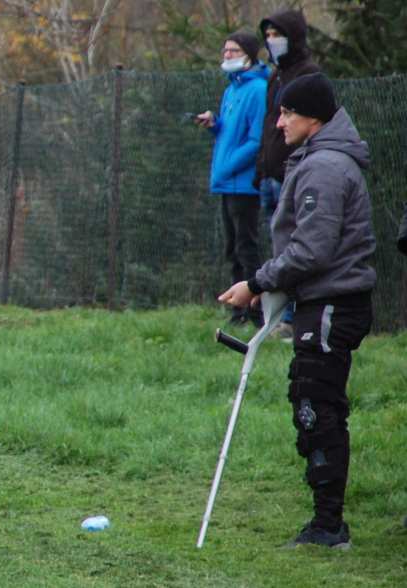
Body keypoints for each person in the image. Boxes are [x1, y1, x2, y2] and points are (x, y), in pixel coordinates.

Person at [219, 73, 375, 549]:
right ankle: (325, 522)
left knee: (317, 408)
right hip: (318, 300)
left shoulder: (325, 167)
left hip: (332, 302)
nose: (279, 122)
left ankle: (328, 527)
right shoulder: (315, 159)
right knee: (311, 402)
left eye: (287, 113)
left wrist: (256, 282)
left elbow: (312, 249)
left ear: (314, 118)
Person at [255, 9, 321, 339]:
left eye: (276, 35)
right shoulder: (275, 75)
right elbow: (270, 126)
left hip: (294, 174)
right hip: (271, 174)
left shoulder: (307, 73)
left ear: (292, 36)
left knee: (295, 247)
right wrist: (262, 167)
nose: (270, 42)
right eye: (266, 36)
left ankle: (293, 319)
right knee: (277, 247)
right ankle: (278, 315)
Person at [196, 32, 268, 327]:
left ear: (250, 55)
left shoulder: (258, 90)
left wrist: (226, 166)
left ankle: (255, 312)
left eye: (233, 50)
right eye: (224, 50)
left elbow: (255, 141)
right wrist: (215, 124)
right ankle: (238, 311)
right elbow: (230, 131)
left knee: (246, 248)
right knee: (232, 248)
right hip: (228, 182)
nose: (226, 55)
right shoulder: (232, 90)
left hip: (244, 184)